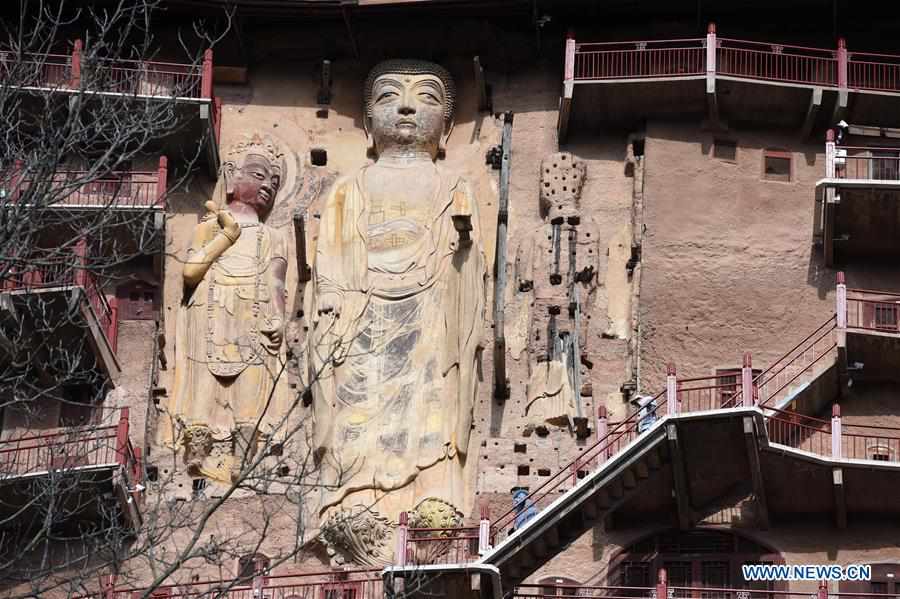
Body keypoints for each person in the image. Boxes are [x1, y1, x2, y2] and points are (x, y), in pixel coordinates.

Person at [308, 59, 487, 564]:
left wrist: (461, 260)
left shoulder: (454, 184)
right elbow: (332, 259)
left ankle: (435, 495)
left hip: (431, 306)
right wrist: (333, 305)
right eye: (390, 96)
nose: (407, 107)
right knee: (356, 407)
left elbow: (470, 262)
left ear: (447, 128)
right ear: (367, 123)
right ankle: (355, 499)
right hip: (361, 312)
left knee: (433, 399)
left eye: (425, 98)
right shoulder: (350, 187)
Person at [165, 133, 291, 482]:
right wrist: (228, 235)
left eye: (274, 181)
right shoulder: (208, 227)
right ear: (233, 176)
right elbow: (190, 274)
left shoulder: (274, 236)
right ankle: (197, 461)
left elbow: (277, 283)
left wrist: (279, 319)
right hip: (208, 316)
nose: (267, 185)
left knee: (252, 396)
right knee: (204, 395)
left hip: (254, 320)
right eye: (258, 174)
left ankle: (246, 464)